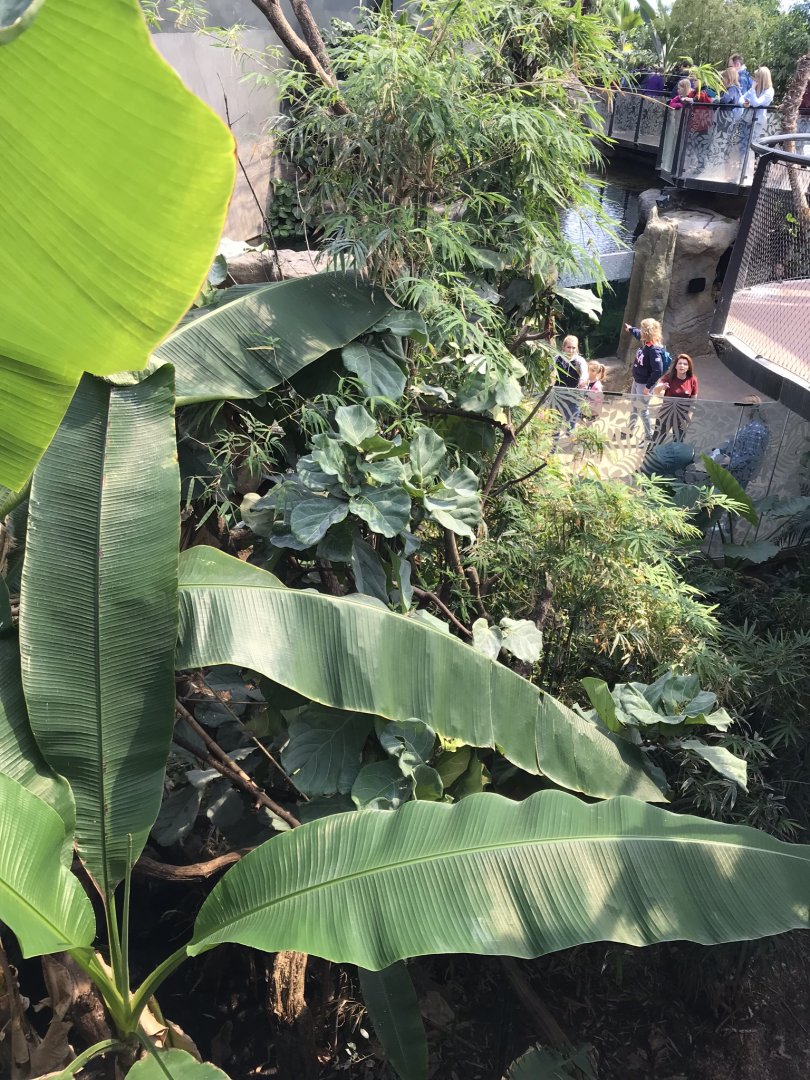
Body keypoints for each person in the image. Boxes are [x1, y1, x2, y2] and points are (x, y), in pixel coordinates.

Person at [624, 318, 670, 444]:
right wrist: (631, 329)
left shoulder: (654, 350)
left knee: (643, 410)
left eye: (642, 328)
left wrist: (648, 387)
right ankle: (630, 429)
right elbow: (638, 334)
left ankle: (649, 437)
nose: (641, 331)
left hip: (644, 384)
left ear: (647, 332)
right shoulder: (647, 342)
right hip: (637, 380)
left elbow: (658, 371)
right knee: (634, 406)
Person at [713, 396, 770, 489]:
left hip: (738, 473)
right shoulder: (751, 425)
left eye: (743, 407)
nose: (741, 410)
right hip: (734, 471)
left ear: (750, 409)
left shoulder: (756, 429)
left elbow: (751, 455)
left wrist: (730, 462)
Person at [652, 353, 698, 444]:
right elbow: (656, 391)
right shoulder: (668, 377)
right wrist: (662, 387)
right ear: (676, 366)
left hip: (681, 418)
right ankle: (649, 458)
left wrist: (688, 419)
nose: (682, 366)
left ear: (689, 367)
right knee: (656, 442)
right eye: (680, 363)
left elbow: (693, 401)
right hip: (665, 416)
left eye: (685, 364)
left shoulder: (693, 379)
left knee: (677, 444)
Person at [552, 334, 588, 436]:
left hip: (574, 394)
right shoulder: (557, 358)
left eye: (573, 348)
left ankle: (571, 436)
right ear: (563, 347)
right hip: (559, 393)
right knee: (556, 418)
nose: (571, 350)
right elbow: (549, 370)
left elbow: (585, 373)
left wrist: (583, 380)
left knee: (571, 418)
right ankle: (554, 442)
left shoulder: (579, 361)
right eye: (569, 347)